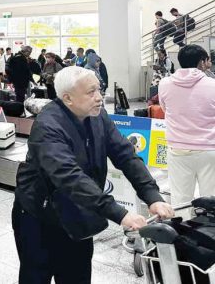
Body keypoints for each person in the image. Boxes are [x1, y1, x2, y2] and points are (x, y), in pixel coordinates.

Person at [13, 66, 174, 284]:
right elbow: (69, 177)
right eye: (91, 92)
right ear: (67, 98)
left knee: (77, 275)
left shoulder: (98, 116)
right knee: (36, 275)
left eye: (99, 90)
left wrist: (152, 196)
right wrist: (120, 214)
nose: (100, 98)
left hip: (79, 211)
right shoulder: (47, 126)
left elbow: (125, 154)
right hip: (40, 216)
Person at [158, 45, 215, 207]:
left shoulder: (165, 84)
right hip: (209, 148)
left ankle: (182, 231)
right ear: (202, 63)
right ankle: (209, 231)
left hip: (177, 148)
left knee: (180, 200)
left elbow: (165, 109)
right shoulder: (212, 85)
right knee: (211, 198)